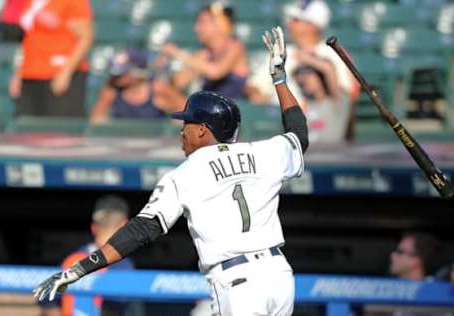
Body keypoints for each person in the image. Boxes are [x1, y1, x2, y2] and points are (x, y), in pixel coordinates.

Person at [34, 26, 308, 316]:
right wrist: (280, 80)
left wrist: (81, 269)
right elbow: (298, 136)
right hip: (279, 276)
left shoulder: (187, 173)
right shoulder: (262, 152)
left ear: (203, 131)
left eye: (187, 124)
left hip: (236, 282)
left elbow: (142, 230)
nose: (181, 130)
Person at [247, 0, 358, 142]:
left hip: (326, 136)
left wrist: (314, 62)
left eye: (296, 20)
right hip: (284, 131)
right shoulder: (280, 52)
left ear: (313, 25)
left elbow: (344, 96)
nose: (289, 24)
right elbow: (254, 88)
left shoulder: (333, 53)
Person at [39, 195, 143, 316]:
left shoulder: (71, 260)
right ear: (125, 225)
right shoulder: (123, 264)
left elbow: (48, 307)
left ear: (94, 228)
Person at [152, 2, 250, 110]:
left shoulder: (236, 47)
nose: (196, 29)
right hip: (208, 110)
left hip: (228, 113)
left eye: (202, 22)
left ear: (219, 24)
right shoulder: (204, 54)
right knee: (160, 98)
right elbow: (178, 82)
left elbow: (216, 72)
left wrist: (178, 53)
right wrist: (163, 64)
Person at [9, 0, 94, 117]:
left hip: (58, 76)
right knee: (28, 130)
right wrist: (18, 74)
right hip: (30, 74)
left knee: (58, 131)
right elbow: (28, 39)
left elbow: (86, 38)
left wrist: (66, 73)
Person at [89, 48, 168, 124]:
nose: (116, 77)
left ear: (138, 72)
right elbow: (95, 121)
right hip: (123, 137)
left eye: (122, 73)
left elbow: (179, 117)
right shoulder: (111, 90)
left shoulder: (157, 89)